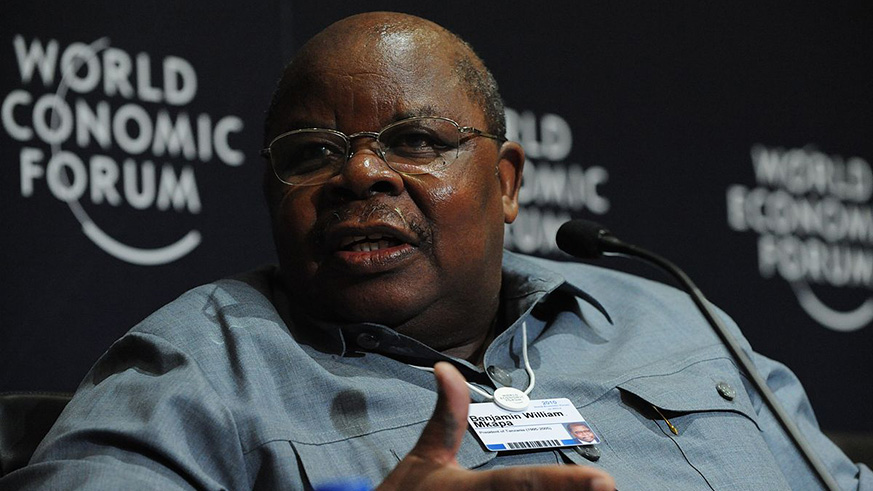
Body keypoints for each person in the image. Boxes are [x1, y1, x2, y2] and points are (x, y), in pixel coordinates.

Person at [2, 11, 870, 491]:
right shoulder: (195, 366)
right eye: (311, 152)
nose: (360, 173)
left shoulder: (673, 318)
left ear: (506, 182)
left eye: (414, 140)